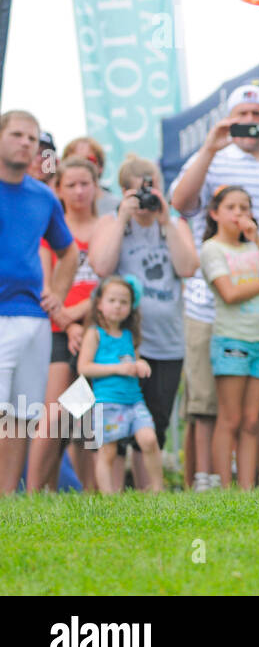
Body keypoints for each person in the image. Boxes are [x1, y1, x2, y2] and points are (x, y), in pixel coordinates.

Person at [170, 84, 259, 488]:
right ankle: (205, 482)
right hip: (209, 309)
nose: (249, 122)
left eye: (256, 114)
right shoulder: (212, 156)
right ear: (229, 119)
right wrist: (210, 148)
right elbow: (179, 204)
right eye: (241, 115)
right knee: (207, 406)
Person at [89, 156, 198, 465]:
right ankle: (116, 487)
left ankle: (145, 488)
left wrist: (166, 222)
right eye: (140, 192)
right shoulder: (111, 223)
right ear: (125, 192)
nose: (147, 199)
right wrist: (123, 218)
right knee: (116, 425)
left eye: (153, 190)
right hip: (125, 343)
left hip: (167, 341)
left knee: (154, 424)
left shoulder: (175, 224)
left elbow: (188, 268)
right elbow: (101, 266)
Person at [0, 111, 78, 494]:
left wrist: (57, 294)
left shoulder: (44, 197)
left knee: (21, 416)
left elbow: (69, 253)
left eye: (32, 139)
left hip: (33, 318)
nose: (26, 144)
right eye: (17, 135)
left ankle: (7, 502)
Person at [200, 186, 259, 489]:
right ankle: (226, 487)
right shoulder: (212, 249)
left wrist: (258, 241)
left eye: (244, 207)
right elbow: (230, 293)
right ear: (215, 213)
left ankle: (247, 490)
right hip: (232, 339)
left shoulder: (254, 248)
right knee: (231, 418)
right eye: (231, 207)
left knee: (252, 420)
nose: (239, 213)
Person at [26, 158, 101, 492]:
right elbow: (44, 285)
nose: (79, 191)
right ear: (58, 189)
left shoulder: (105, 228)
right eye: (71, 185)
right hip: (58, 331)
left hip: (99, 331)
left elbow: (113, 282)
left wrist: (83, 316)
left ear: (96, 187)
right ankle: (33, 491)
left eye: (85, 184)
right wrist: (68, 323)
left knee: (85, 415)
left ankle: (89, 493)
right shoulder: (52, 232)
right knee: (54, 413)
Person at [77, 276, 164, 493]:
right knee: (108, 452)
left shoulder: (129, 335)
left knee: (149, 440)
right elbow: (84, 367)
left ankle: (158, 490)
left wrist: (140, 365)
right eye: (112, 300)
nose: (117, 306)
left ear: (131, 307)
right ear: (99, 303)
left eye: (124, 302)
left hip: (134, 401)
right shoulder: (94, 334)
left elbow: (134, 361)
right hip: (106, 403)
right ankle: (109, 498)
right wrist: (118, 369)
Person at [63, 136, 119, 216]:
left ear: (100, 167)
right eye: (75, 161)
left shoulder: (117, 207)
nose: (82, 166)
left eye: (89, 160)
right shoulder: (55, 207)